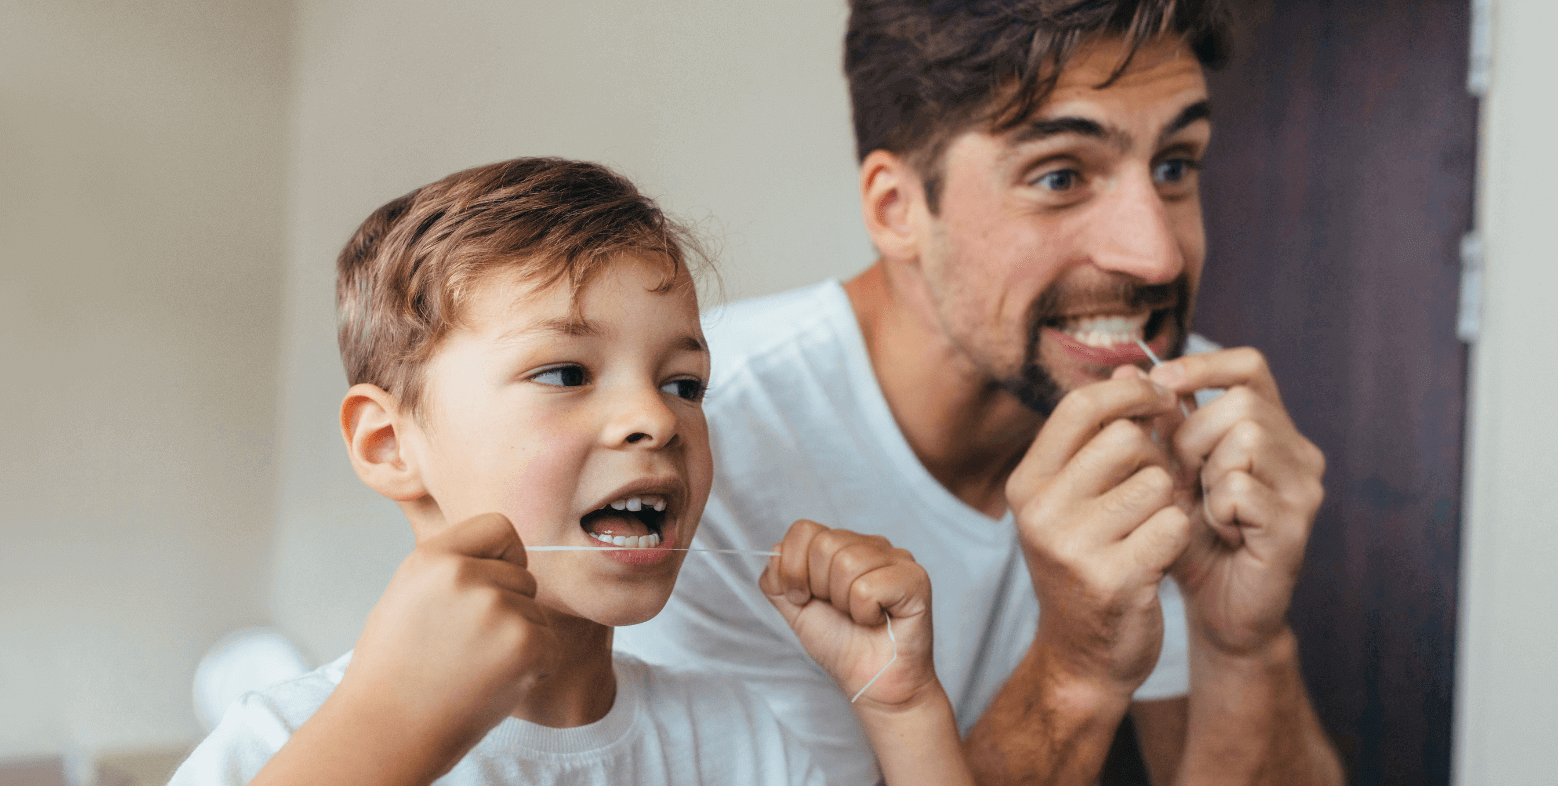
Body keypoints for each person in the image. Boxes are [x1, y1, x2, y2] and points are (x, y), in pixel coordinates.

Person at [614, 2, 1345, 784]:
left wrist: (1244, 642)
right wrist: (1075, 671)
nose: (1157, 256)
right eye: (1060, 176)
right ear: (896, 210)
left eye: (1174, 166)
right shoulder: (690, 446)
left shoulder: (1179, 413)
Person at [168, 157, 975, 786]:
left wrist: (904, 709)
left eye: (683, 384)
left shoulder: (733, 740)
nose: (657, 419)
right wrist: (386, 729)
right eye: (564, 374)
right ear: (388, 444)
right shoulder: (284, 742)